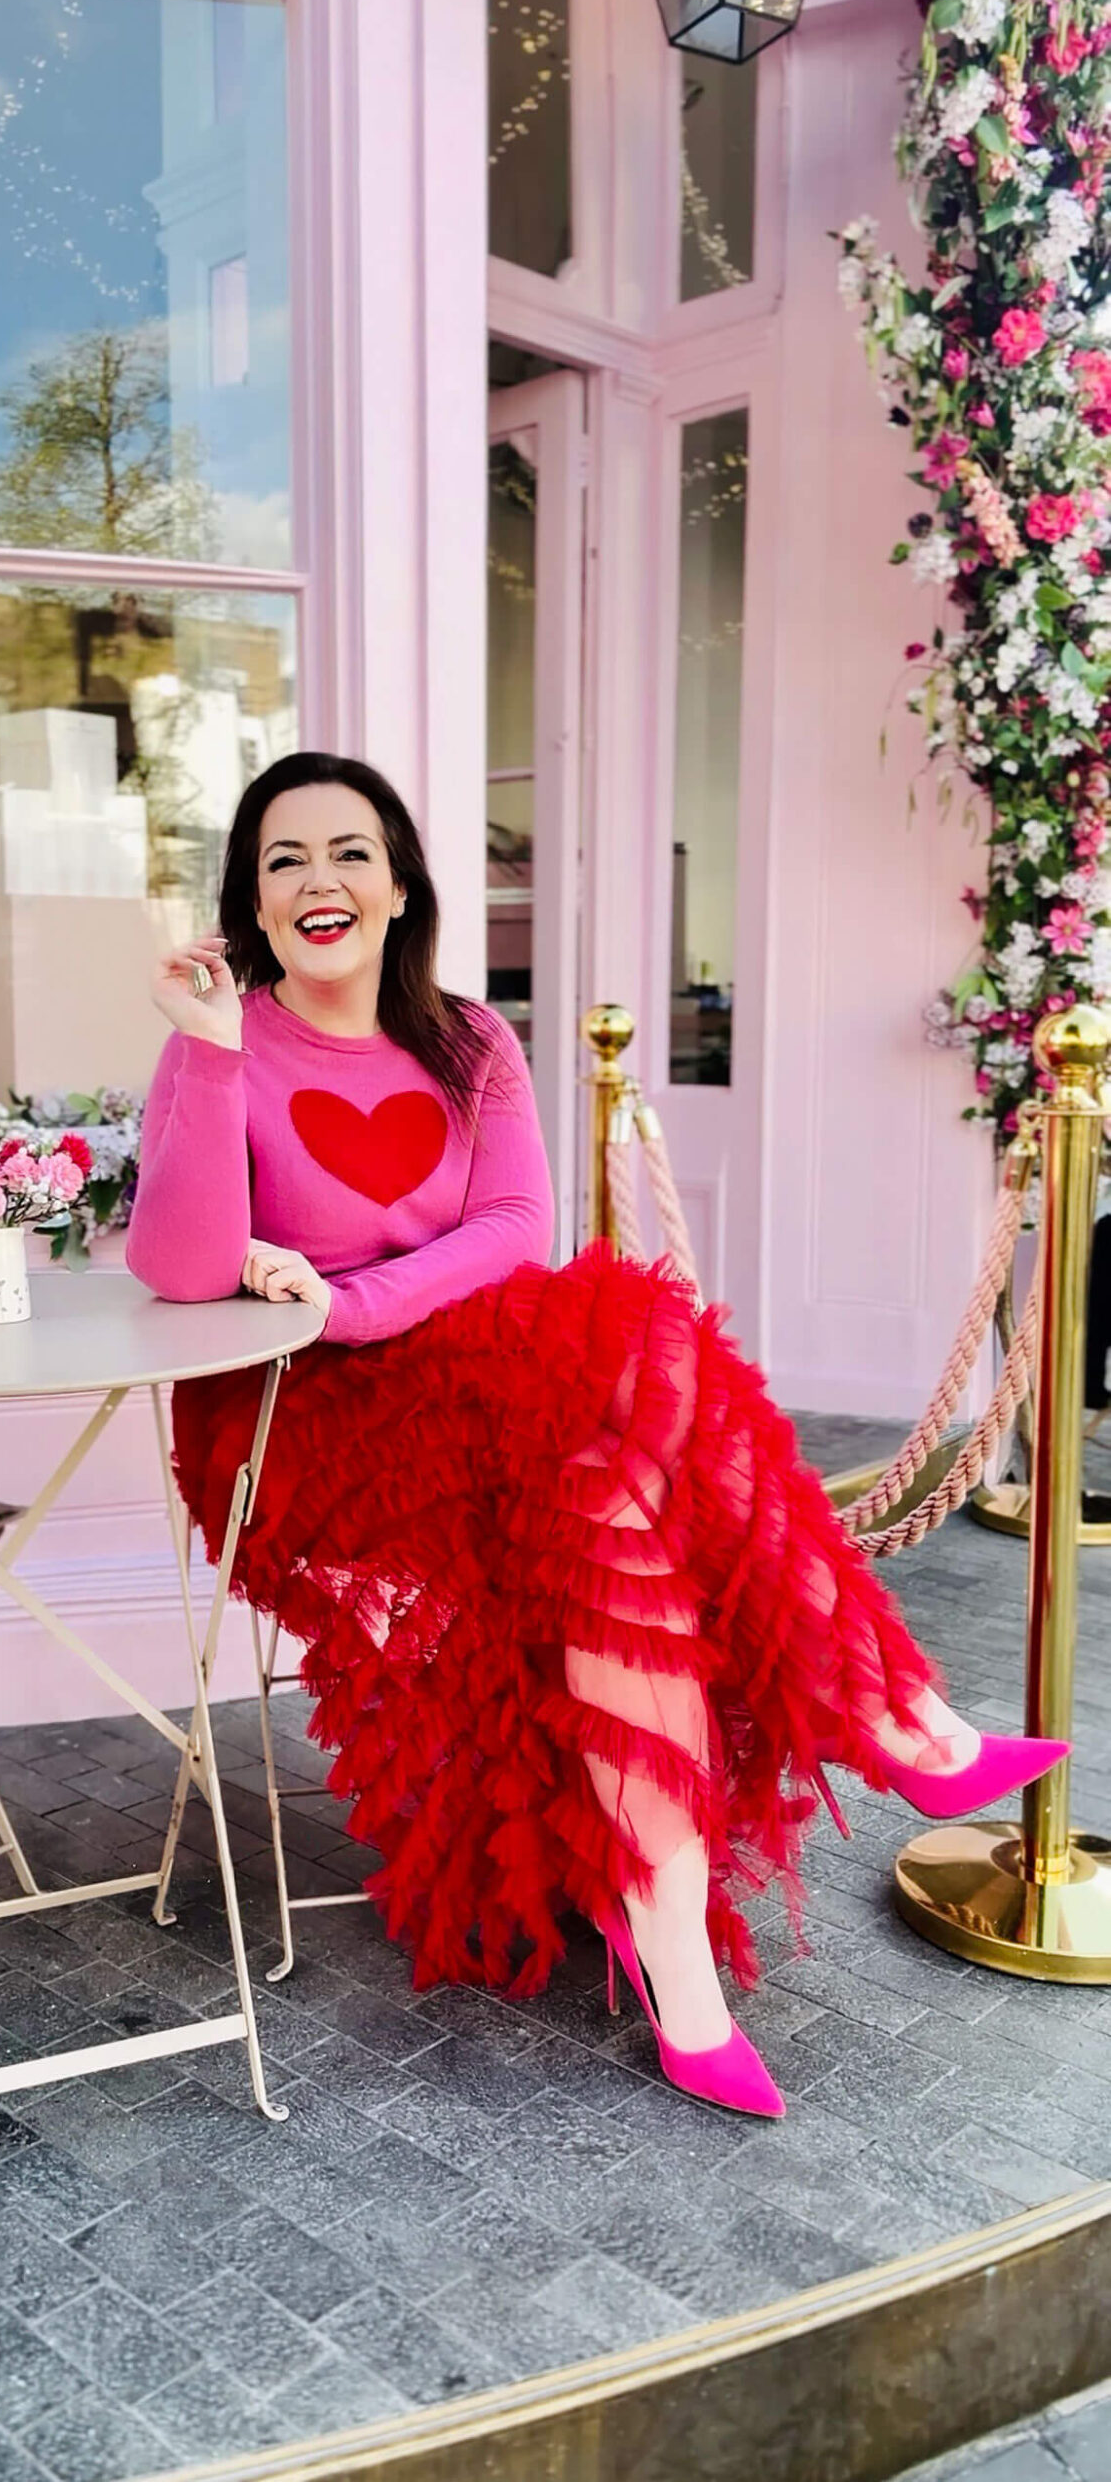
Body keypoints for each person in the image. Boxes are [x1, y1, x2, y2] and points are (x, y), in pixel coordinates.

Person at [127, 751, 1066, 2118]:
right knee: (634, 1345)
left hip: (467, 1384)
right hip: (301, 1424)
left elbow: (513, 1229)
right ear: (253, 907)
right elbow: (181, 1265)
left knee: (608, 1511)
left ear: (397, 886)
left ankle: (674, 1947)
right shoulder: (224, 1044)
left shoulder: (467, 1038)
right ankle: (889, 1715)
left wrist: (354, 1296)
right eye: (281, 862)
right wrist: (210, 1060)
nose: (315, 880)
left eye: (346, 852)